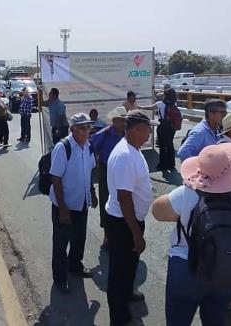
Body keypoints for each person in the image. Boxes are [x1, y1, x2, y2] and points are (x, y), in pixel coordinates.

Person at [152, 143, 231, 326]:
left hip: (185, 267)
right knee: (215, 319)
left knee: (178, 321)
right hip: (223, 267)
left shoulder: (186, 193)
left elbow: (157, 211)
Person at [106, 110, 159, 326]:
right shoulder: (125, 156)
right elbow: (124, 197)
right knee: (119, 271)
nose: (150, 133)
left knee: (129, 264)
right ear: (138, 128)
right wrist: (136, 234)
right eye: (148, 128)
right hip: (124, 224)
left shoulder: (133, 150)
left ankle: (127, 293)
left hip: (130, 220)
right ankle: (119, 318)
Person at [49, 113, 98, 293]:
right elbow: (56, 178)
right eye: (83, 127)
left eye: (88, 127)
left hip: (82, 202)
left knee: (79, 238)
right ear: (73, 129)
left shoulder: (88, 146)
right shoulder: (63, 147)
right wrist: (62, 208)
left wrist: (92, 192)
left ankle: (75, 265)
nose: (87, 131)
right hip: (65, 205)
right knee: (61, 243)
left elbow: (89, 172)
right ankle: (60, 278)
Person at [91, 106, 128, 250]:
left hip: (123, 172)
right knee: (106, 201)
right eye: (121, 120)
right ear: (114, 121)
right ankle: (107, 235)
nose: (124, 123)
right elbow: (91, 148)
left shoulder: (126, 134)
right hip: (107, 171)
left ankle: (121, 232)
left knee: (123, 201)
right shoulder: (104, 134)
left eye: (125, 120)